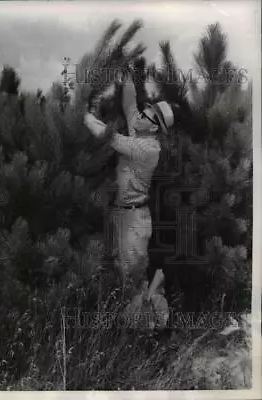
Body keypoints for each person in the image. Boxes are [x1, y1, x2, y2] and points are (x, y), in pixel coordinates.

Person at [84, 71, 174, 329]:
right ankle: (141, 324)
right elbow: (130, 106)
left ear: (154, 126)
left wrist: (84, 114)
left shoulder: (147, 148)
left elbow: (109, 136)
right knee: (124, 274)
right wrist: (125, 79)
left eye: (148, 114)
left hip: (134, 219)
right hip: (124, 214)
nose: (142, 113)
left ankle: (145, 331)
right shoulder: (143, 131)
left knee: (132, 278)